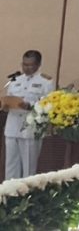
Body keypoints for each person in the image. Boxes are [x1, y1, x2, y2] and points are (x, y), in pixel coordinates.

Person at [2, 50, 53, 180]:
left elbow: (48, 105)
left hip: (30, 129)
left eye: (30, 65)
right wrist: (5, 106)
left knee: (28, 168)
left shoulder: (46, 81)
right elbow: (9, 99)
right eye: (24, 64)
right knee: (11, 165)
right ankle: (10, 191)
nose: (26, 68)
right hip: (12, 127)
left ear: (38, 64)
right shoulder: (15, 80)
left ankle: (27, 191)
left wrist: (30, 106)